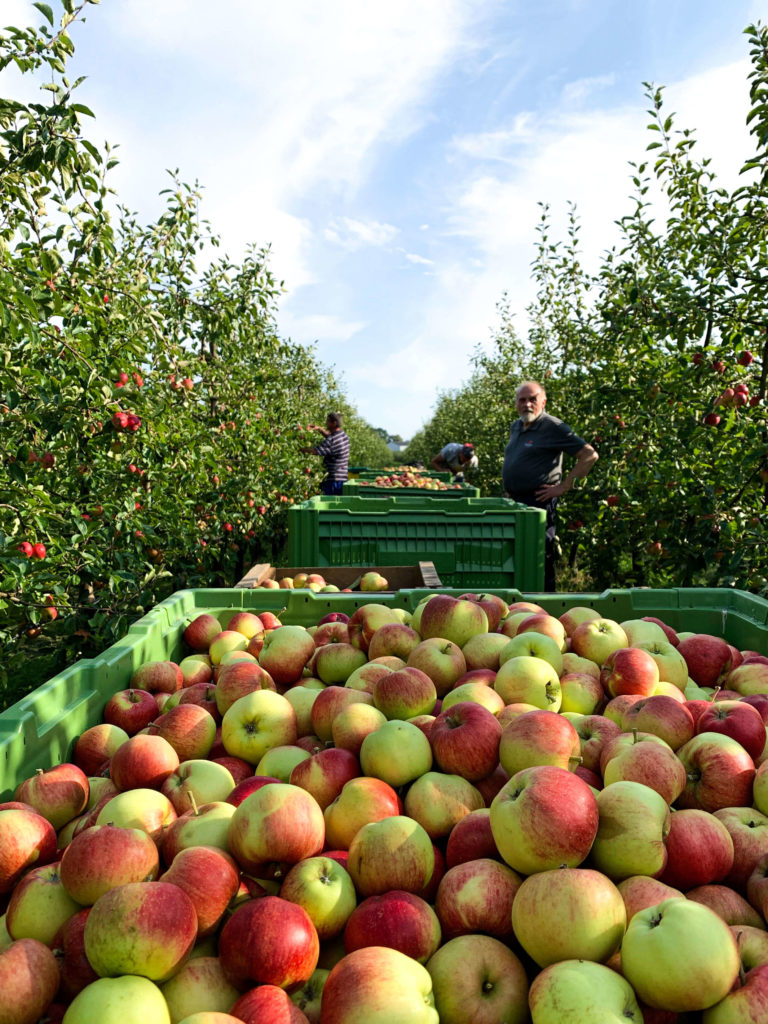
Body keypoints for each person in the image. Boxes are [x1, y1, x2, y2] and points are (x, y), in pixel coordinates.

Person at [502, 381, 598, 592]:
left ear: (543, 402)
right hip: (514, 502)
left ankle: (545, 604)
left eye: (532, 399)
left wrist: (563, 487)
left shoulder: (553, 427)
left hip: (538, 502)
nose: (527, 404)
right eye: (522, 400)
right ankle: (521, 603)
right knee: (516, 556)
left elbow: (589, 455)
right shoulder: (516, 426)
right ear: (516, 403)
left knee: (539, 556)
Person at [303, 412, 351, 496]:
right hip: (342, 478)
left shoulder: (331, 440)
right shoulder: (343, 435)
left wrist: (301, 449)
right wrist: (320, 429)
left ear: (334, 423)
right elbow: (331, 437)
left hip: (333, 480)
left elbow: (315, 451)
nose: (326, 423)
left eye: (328, 421)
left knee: (331, 506)